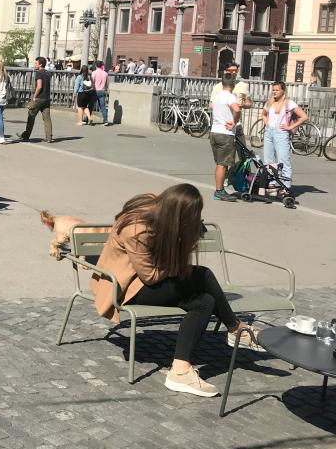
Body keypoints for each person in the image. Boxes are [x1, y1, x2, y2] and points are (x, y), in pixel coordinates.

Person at [90, 184, 259, 397]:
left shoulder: (161, 215)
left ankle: (180, 370)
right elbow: (150, 276)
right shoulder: (137, 230)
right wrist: (183, 246)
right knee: (203, 275)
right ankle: (235, 329)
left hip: (146, 279)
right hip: (126, 288)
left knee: (205, 301)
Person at [261, 81, 308, 190]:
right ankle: (272, 183)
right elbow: (263, 114)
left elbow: (304, 117)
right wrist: (267, 123)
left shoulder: (289, 103)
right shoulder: (270, 102)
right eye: (273, 90)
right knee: (268, 160)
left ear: (283, 91)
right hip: (269, 132)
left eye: (277, 90)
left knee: (283, 161)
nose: (274, 92)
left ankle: (286, 187)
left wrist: (290, 127)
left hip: (281, 133)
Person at [209, 77, 241, 202]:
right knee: (222, 165)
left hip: (214, 132)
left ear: (222, 84)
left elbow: (211, 107)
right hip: (225, 133)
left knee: (220, 163)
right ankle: (219, 191)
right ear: (233, 85)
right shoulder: (230, 96)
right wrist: (234, 121)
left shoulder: (217, 96)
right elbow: (237, 109)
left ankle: (220, 189)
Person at [20, 57, 53, 144]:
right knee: (47, 118)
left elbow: (39, 86)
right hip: (46, 98)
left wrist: (34, 96)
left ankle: (26, 135)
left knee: (31, 115)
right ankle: (49, 137)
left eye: (36, 63)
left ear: (40, 64)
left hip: (39, 98)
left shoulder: (39, 73)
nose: (35, 65)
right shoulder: (48, 73)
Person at [91, 60, 110, 126]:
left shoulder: (94, 73)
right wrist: (106, 89)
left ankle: (87, 118)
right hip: (102, 90)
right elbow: (107, 83)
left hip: (95, 90)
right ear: (101, 65)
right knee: (103, 106)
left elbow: (92, 82)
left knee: (91, 105)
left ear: (96, 65)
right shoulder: (105, 73)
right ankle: (105, 120)